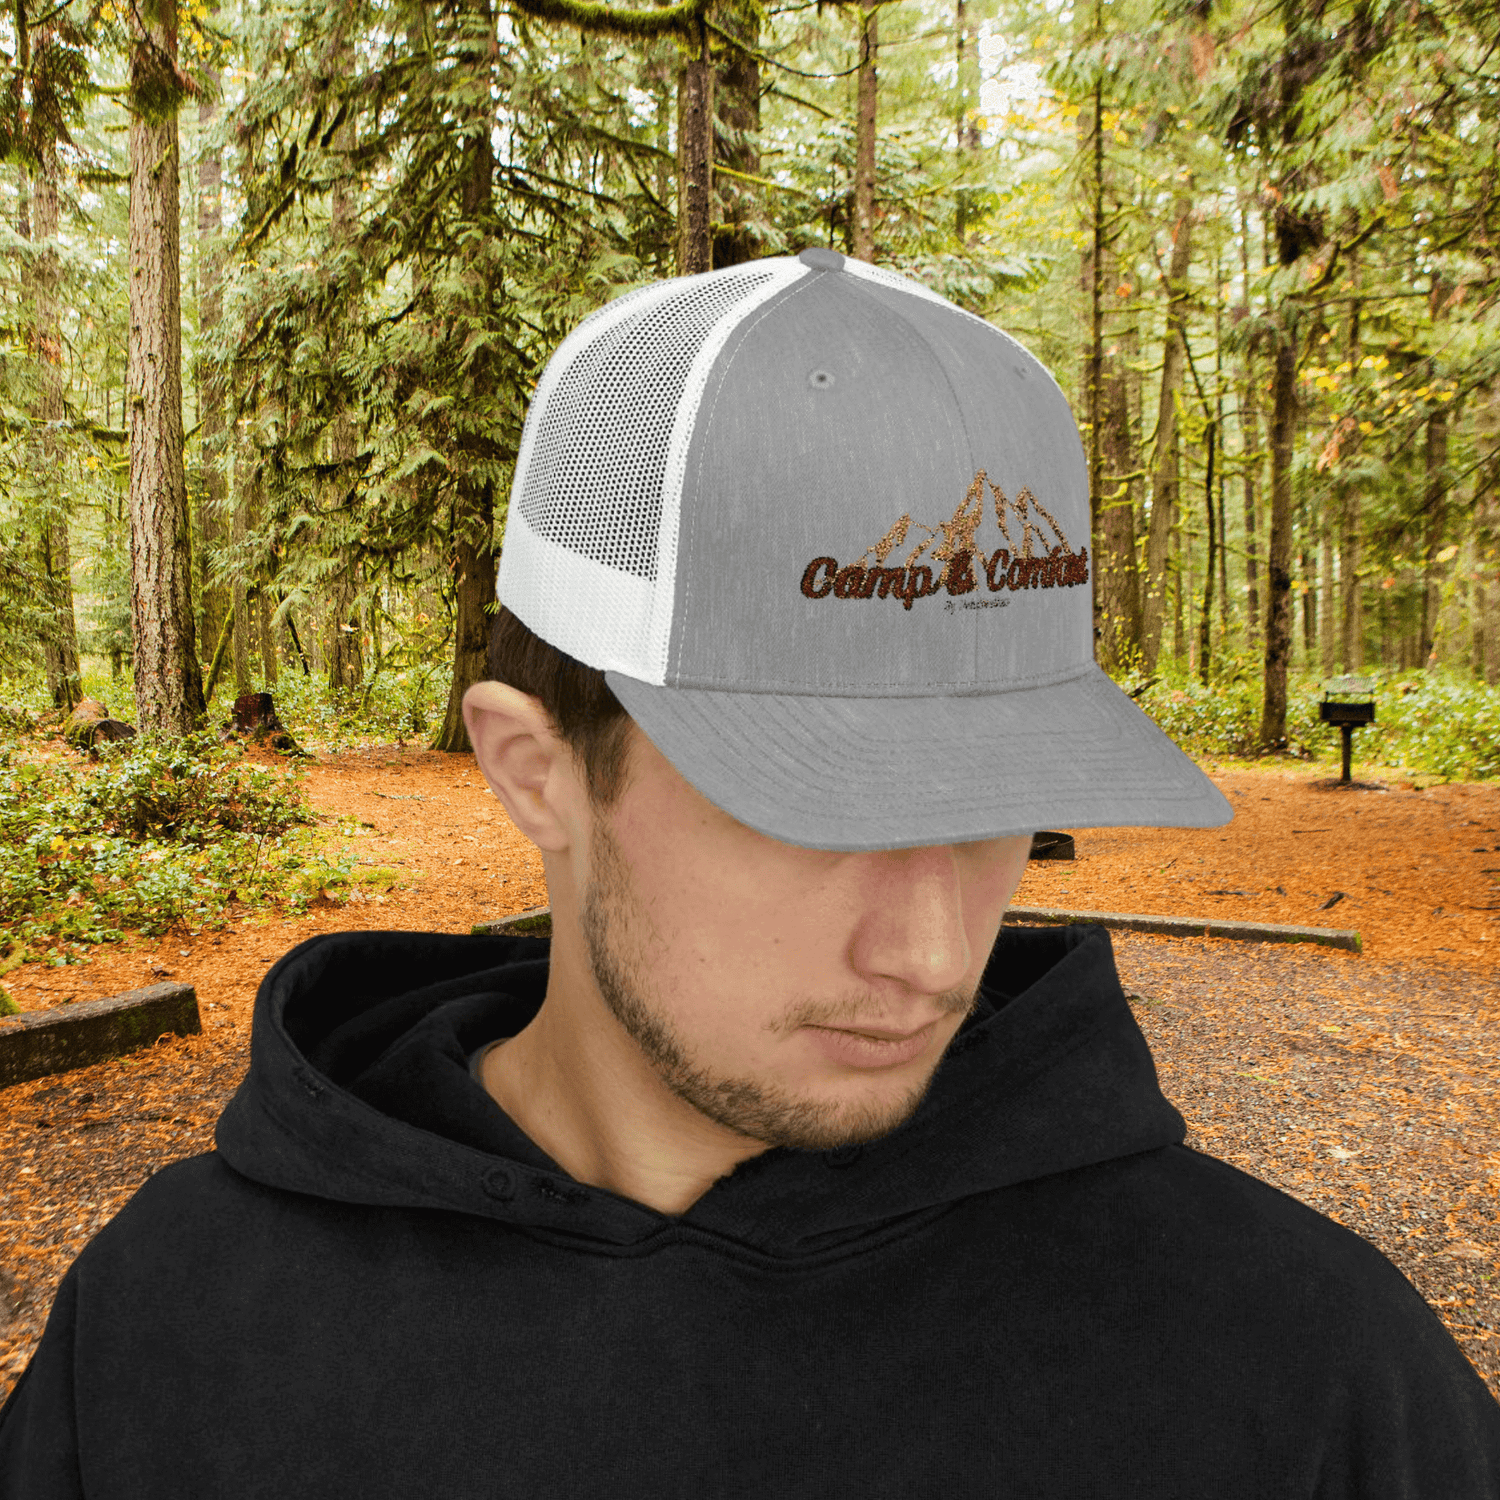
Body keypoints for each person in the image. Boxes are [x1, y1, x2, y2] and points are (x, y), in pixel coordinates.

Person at [2, 248, 1497, 1498]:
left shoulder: (1299, 1373)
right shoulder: (182, 1337)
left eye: (998, 813)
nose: (928, 952)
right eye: (814, 812)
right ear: (538, 770)